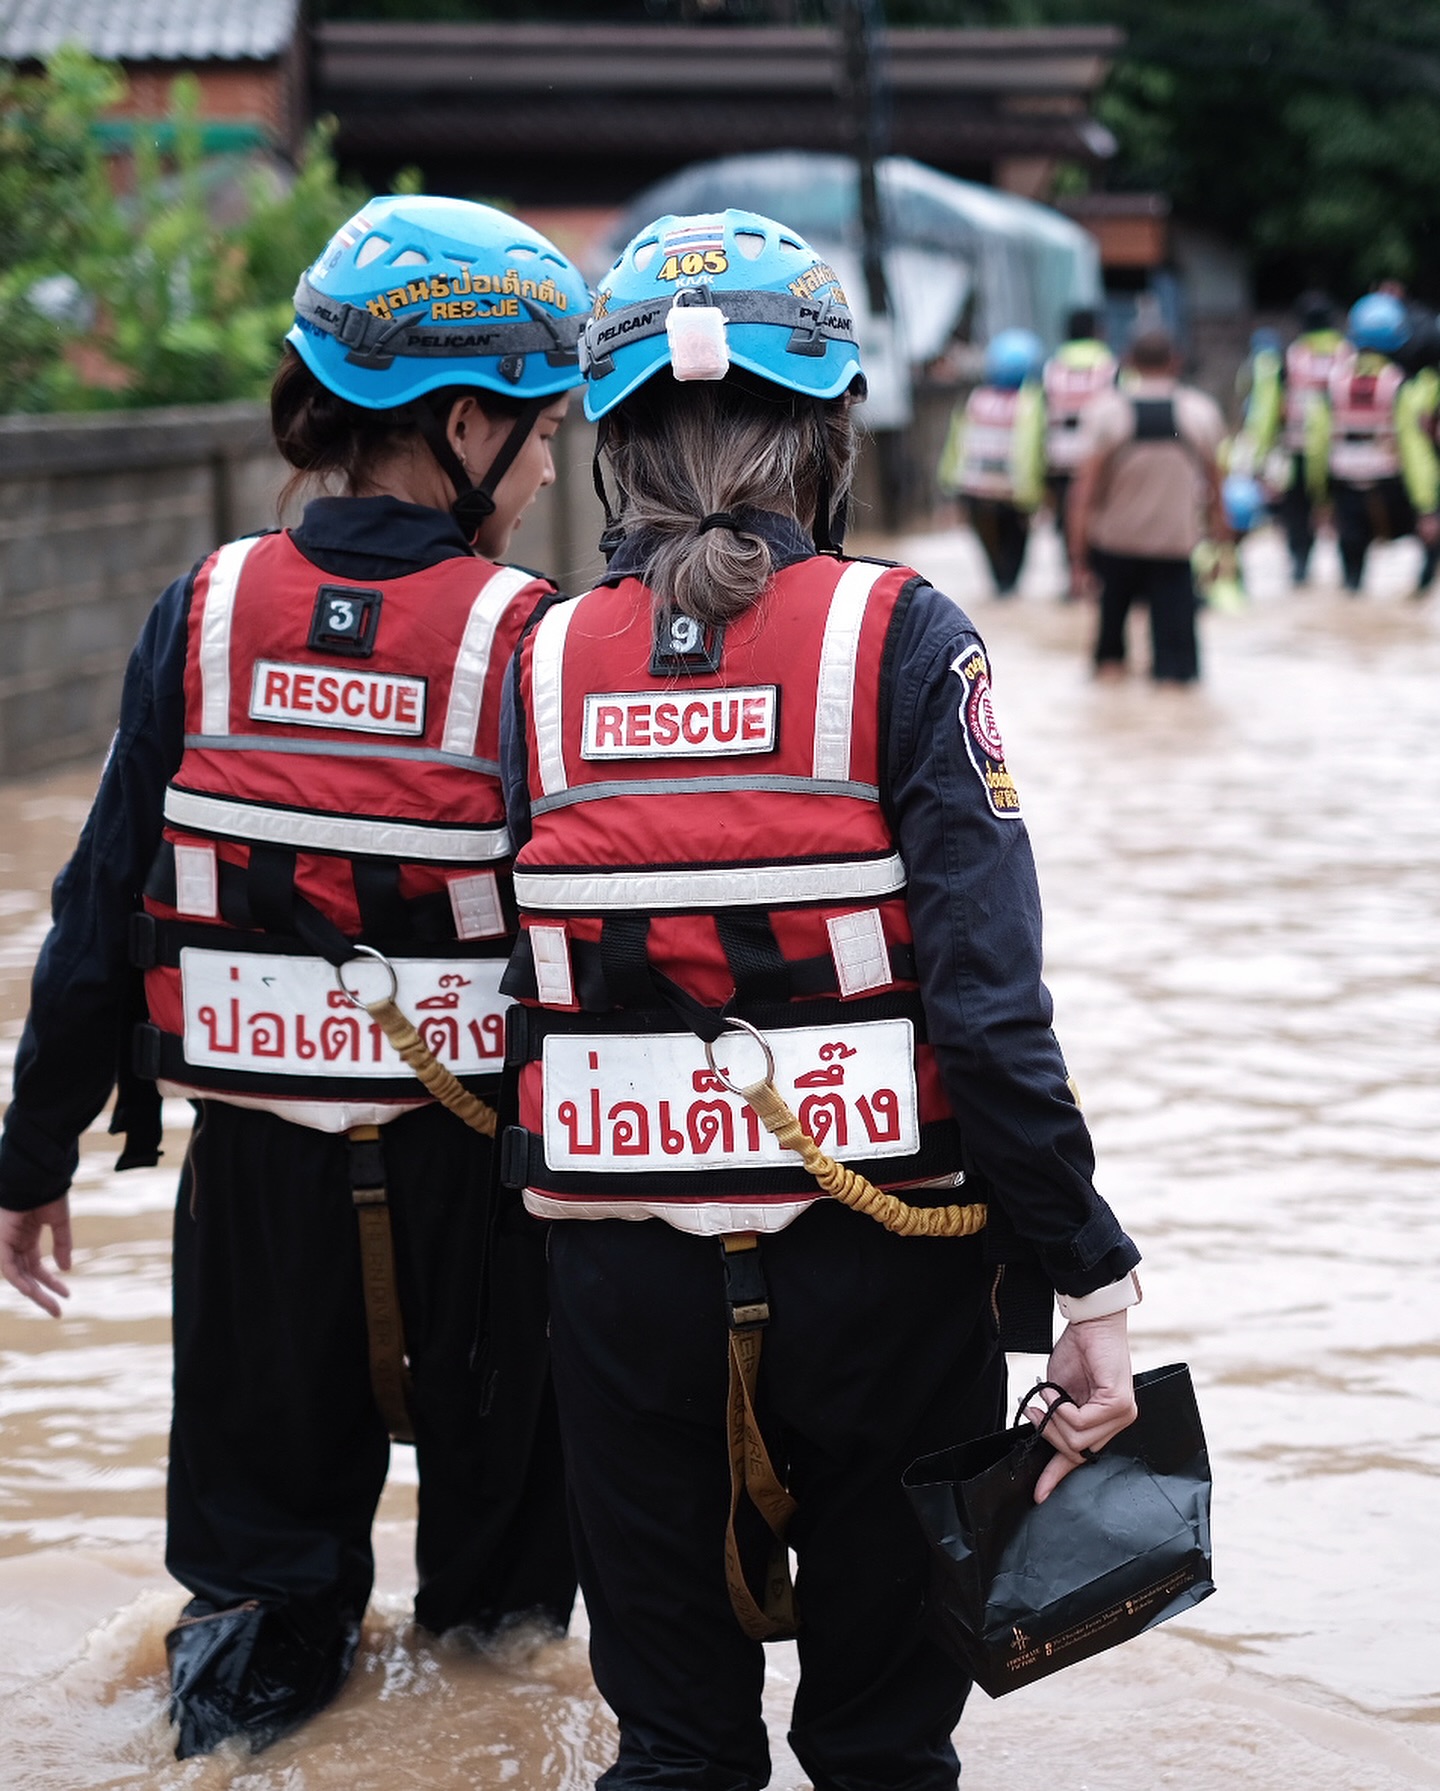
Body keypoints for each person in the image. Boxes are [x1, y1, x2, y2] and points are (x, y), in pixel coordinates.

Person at [498, 207, 1142, 1791]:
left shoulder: (532, 660)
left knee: (672, 1747)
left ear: (610, 441)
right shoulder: (904, 636)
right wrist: (1091, 1283)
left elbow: (507, 991)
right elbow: (990, 1013)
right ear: (831, 430)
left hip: (617, 1297)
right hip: (888, 1275)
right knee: (878, 1744)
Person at [0, 195, 589, 1756]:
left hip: (257, 1184)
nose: (545, 470)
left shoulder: (197, 612)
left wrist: (32, 1146)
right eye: (535, 434)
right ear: (461, 424)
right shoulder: (528, 638)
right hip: (486, 1201)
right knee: (510, 1633)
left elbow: (100, 900)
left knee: (254, 1612)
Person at [1067, 326, 1227, 684]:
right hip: (1175, 549)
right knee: (1178, 673)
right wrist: (1223, 547)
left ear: (1128, 362)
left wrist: (1077, 558)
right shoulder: (1200, 412)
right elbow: (1218, 490)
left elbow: (1084, 494)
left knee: (1109, 661)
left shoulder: (1105, 413)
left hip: (1114, 548)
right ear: (1176, 361)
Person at [1309, 292, 1440, 596]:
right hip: (1394, 492)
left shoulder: (1333, 384)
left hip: (1346, 494)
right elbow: (1415, 451)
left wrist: (1321, 499)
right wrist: (1428, 507)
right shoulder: (1401, 384)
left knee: (1352, 585)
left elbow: (1318, 447)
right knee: (1429, 557)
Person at [937, 327, 1046, 595]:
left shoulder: (974, 400)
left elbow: (955, 446)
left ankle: (1001, 590)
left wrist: (950, 485)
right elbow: (1033, 453)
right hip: (1013, 495)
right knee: (1013, 561)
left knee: (994, 561)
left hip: (975, 492)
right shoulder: (1031, 404)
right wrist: (1034, 496)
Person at [1042, 306, 1118, 587]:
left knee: (1067, 518)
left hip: (1060, 458)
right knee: (1100, 515)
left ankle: (1072, 577)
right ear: (1097, 332)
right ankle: (1098, 577)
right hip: (1101, 459)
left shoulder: (1051, 368)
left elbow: (1039, 417)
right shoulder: (1110, 366)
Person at [1273, 294, 1344, 583]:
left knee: (1297, 510)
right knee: (1342, 513)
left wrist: (1263, 451)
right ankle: (1349, 574)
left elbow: (1271, 408)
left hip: (1298, 448)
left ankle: (1301, 566)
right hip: (1340, 452)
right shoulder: (1348, 353)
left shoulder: (1291, 355)